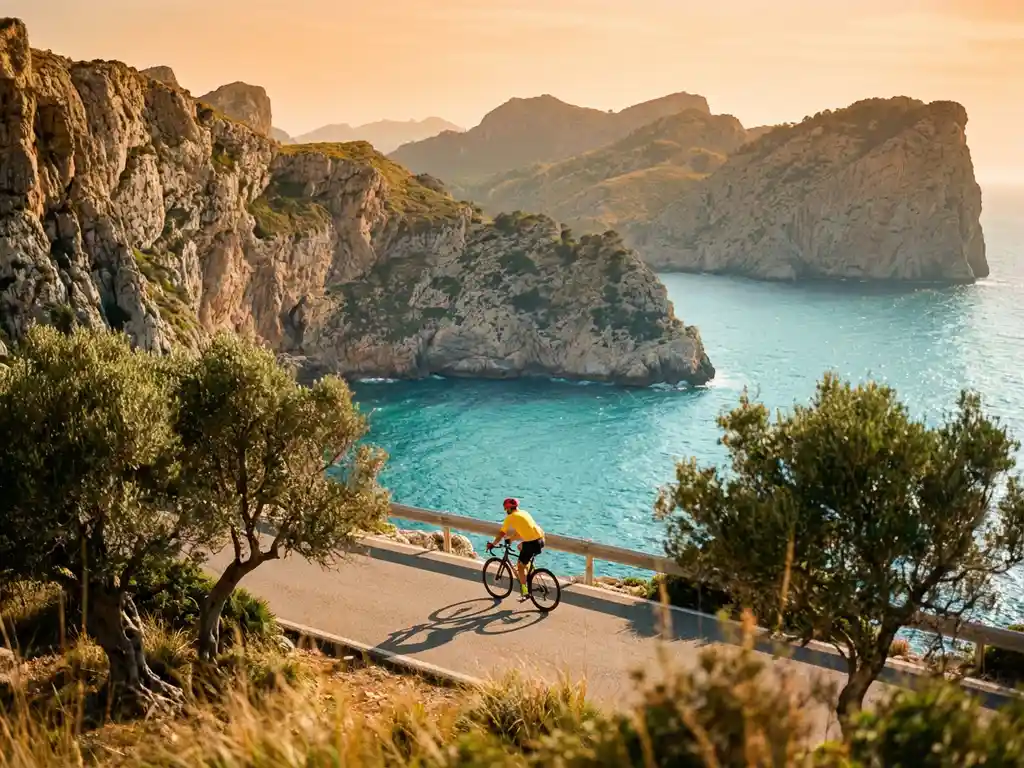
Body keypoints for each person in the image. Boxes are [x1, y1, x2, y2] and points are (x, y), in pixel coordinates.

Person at [487, 497, 545, 600]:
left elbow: (501, 533)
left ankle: (525, 592)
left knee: (520, 566)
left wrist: (493, 544)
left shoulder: (511, 517)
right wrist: (511, 539)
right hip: (541, 540)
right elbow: (521, 532)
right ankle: (529, 567)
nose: (506, 511)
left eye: (506, 509)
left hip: (531, 543)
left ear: (509, 508)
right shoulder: (524, 513)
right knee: (520, 547)